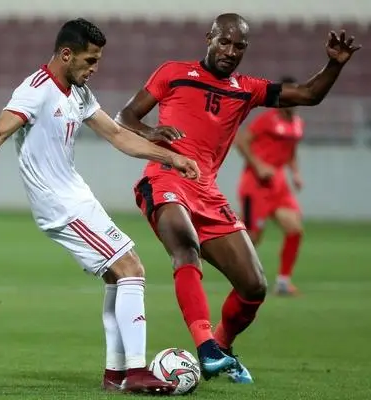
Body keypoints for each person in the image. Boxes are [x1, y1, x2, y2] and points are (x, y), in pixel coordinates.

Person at [0, 18, 200, 394]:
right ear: (66, 54)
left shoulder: (79, 92)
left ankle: (116, 374)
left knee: (118, 276)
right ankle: (136, 371)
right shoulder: (36, 90)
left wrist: (171, 157)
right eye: (90, 60)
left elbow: (117, 134)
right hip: (61, 206)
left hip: (77, 197)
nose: (95, 68)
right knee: (132, 268)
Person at [115, 13, 360, 384]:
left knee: (254, 286)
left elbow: (309, 94)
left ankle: (221, 347)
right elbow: (125, 116)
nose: (230, 51)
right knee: (185, 245)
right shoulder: (174, 72)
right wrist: (151, 132)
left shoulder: (247, 89)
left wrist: (334, 65)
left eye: (239, 46)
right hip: (166, 177)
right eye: (224, 42)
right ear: (209, 38)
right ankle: (205, 347)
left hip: (208, 193)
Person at [234, 76, 305, 296]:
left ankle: (283, 282)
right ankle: (234, 271)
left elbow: (290, 151)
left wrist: (295, 173)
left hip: (279, 184)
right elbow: (241, 141)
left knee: (295, 229)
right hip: (256, 183)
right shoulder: (267, 120)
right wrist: (258, 165)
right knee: (252, 237)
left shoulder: (297, 123)